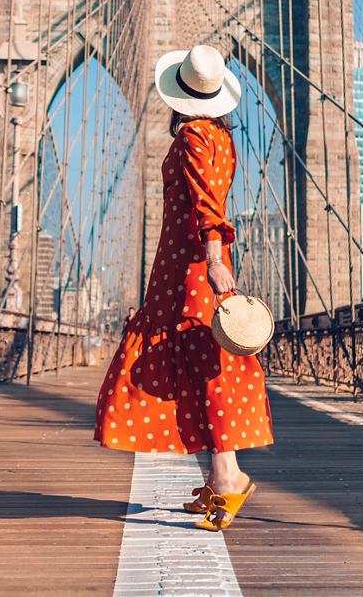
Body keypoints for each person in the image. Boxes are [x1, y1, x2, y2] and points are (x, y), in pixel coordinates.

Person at [94, 44, 272, 531]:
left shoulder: (193, 135)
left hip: (190, 270)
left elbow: (206, 202)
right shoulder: (221, 138)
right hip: (188, 267)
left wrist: (214, 258)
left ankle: (229, 476)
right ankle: (221, 476)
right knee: (205, 368)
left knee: (204, 368)